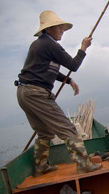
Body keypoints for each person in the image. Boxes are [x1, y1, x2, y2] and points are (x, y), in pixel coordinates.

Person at [16, 10, 101, 177]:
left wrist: (68, 81)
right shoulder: (49, 44)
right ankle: (84, 164)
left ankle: (41, 167)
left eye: (62, 27)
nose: (62, 30)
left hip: (23, 92)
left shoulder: (40, 45)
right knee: (68, 128)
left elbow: (47, 70)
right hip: (36, 93)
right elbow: (73, 65)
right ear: (48, 30)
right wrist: (83, 48)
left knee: (45, 132)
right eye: (58, 28)